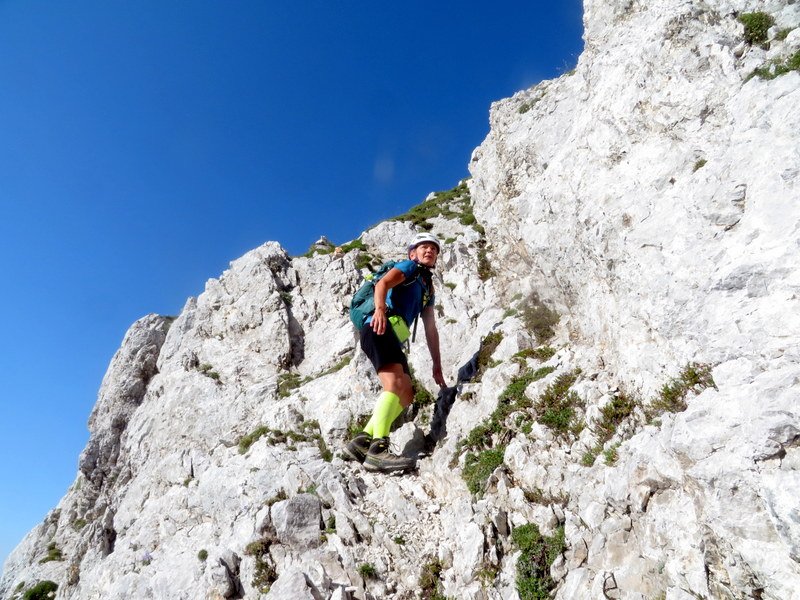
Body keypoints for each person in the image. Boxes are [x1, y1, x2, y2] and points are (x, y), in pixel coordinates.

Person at [343, 233, 447, 472]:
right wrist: (379, 310)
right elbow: (383, 284)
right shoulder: (409, 267)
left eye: (433, 249)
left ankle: (362, 441)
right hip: (378, 325)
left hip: (391, 334)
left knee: (406, 393)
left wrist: (437, 365)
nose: (429, 251)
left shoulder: (427, 288)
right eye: (424, 247)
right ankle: (378, 449)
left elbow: (431, 329)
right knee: (393, 384)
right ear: (413, 253)